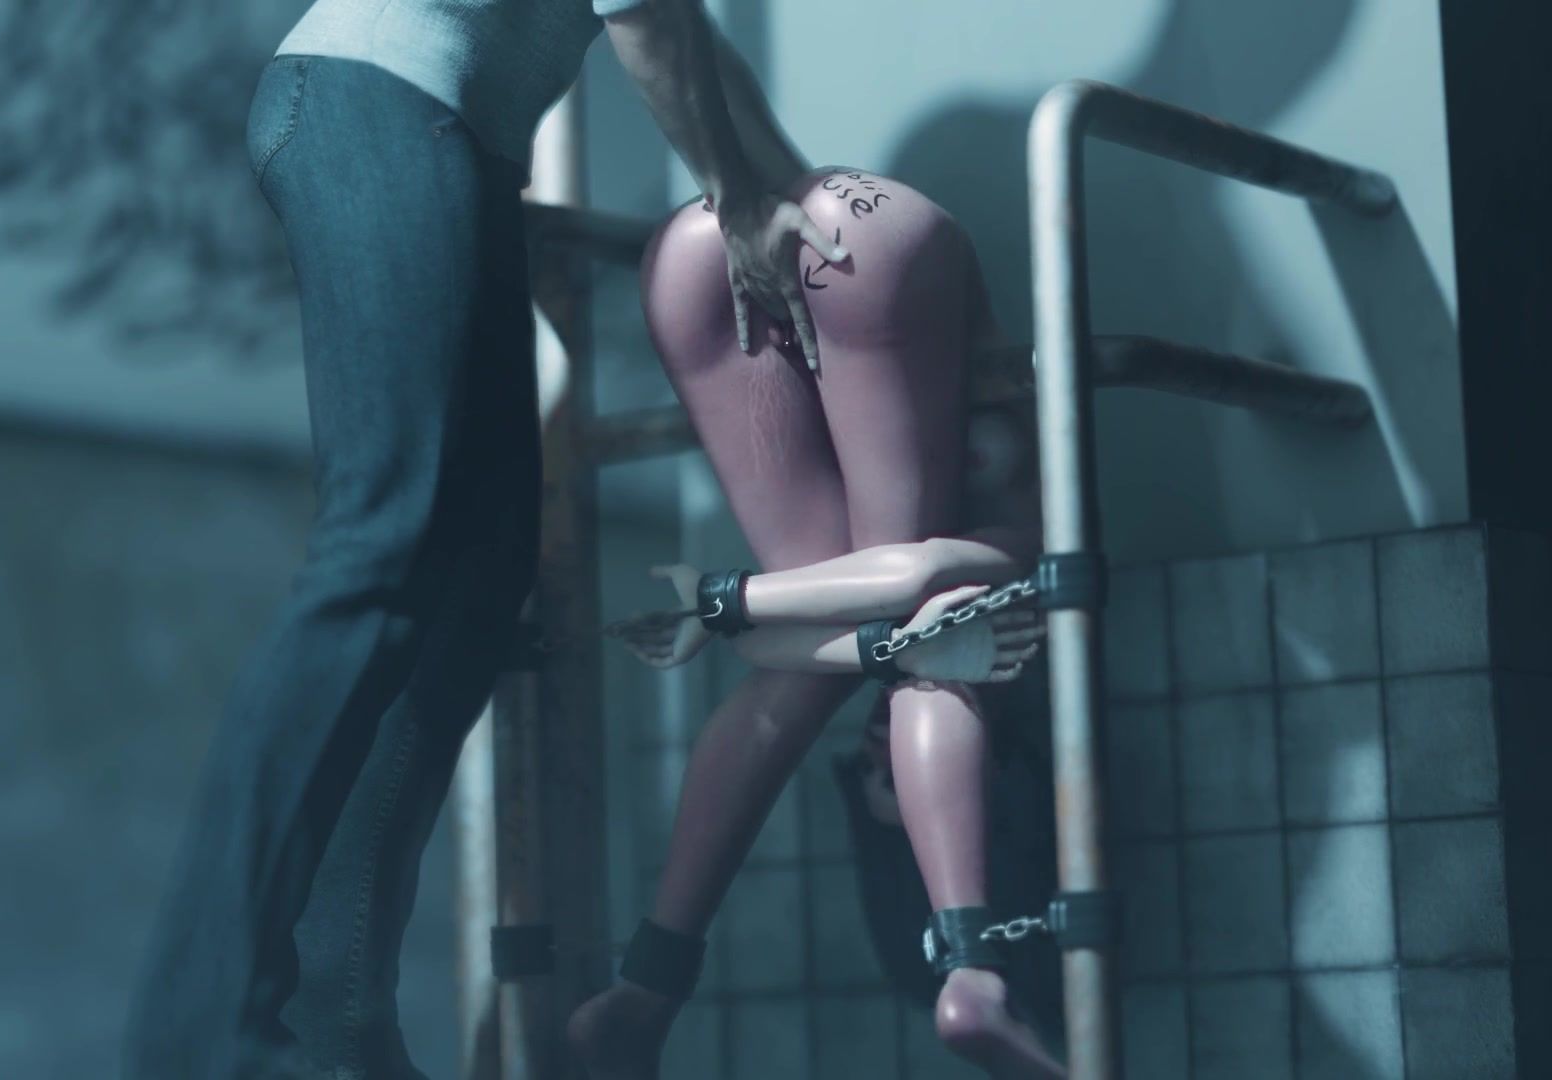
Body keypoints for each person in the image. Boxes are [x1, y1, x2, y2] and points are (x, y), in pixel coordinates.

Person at [120, 2, 840, 1076]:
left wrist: (801, 194)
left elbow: (685, 33)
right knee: (381, 544)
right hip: (371, 107)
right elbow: (645, 23)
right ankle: (197, 1028)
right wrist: (739, 203)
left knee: (480, 573)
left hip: (441, 138)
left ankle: (340, 1021)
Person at [567, 174, 1066, 1079]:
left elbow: (804, 639)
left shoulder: (906, 628)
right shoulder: (1018, 583)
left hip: (705, 249)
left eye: (867, 771)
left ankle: (647, 985)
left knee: (854, 653)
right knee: (926, 641)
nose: (880, 751)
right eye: (894, 772)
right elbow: (906, 579)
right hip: (853, 239)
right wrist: (725, 605)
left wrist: (731, 609)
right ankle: (970, 965)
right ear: (998, 763)